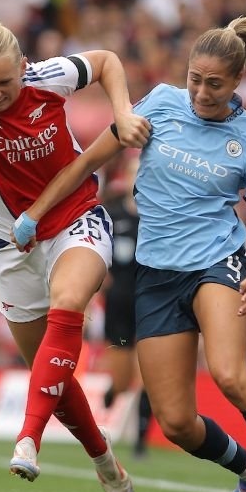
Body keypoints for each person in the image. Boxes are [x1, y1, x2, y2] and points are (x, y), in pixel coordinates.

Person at [13, 16, 246, 492]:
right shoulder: (158, 104)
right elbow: (85, 164)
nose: (202, 92)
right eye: (195, 79)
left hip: (215, 265)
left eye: (215, 83)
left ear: (238, 83)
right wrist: (34, 213)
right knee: (177, 423)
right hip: (156, 277)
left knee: (228, 373)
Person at [0, 20, 150, 492]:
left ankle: (28, 438)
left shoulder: (49, 76)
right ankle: (102, 455)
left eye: (6, 81)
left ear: (24, 68)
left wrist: (123, 113)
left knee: (69, 302)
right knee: (51, 373)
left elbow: (106, 60)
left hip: (75, 217)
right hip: (11, 243)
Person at [100, 156, 154, 458]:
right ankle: (114, 390)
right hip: (118, 307)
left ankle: (141, 442)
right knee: (122, 378)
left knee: (147, 374)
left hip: (149, 304)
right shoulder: (111, 211)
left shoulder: (159, 215)